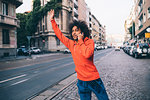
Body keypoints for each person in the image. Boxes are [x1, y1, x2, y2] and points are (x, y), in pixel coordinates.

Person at [49, 9, 109, 100]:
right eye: (72, 31)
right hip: (81, 81)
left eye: (76, 30)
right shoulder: (71, 44)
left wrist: (81, 41)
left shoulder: (89, 42)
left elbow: (87, 54)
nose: (74, 32)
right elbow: (60, 35)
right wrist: (52, 20)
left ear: (82, 32)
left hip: (93, 79)